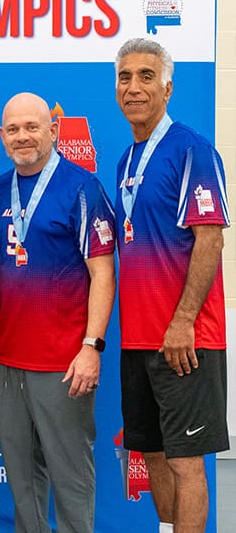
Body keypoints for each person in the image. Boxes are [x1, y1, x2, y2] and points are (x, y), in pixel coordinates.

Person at [114, 38, 229, 533]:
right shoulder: (125, 160)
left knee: (186, 462)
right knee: (153, 453)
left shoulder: (193, 150)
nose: (133, 87)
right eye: (124, 77)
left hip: (186, 339)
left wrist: (183, 321)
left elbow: (210, 241)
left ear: (167, 87)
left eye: (144, 76)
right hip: (138, 338)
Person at [0, 92, 116, 533]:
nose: (23, 137)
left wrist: (91, 346)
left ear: (53, 131)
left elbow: (103, 274)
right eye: (14, 129)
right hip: (5, 359)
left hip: (63, 361)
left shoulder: (83, 188)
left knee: (70, 478)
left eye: (32, 127)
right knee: (22, 482)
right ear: (2, 137)